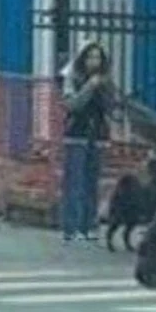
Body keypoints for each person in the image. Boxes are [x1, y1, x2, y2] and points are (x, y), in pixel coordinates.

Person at [59, 39, 115, 242]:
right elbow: (72, 105)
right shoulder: (72, 77)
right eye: (90, 57)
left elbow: (111, 106)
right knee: (74, 182)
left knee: (92, 182)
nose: (94, 61)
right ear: (83, 58)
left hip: (98, 134)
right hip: (77, 134)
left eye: (98, 57)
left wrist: (105, 90)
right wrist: (89, 87)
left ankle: (89, 225)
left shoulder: (105, 79)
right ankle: (70, 227)